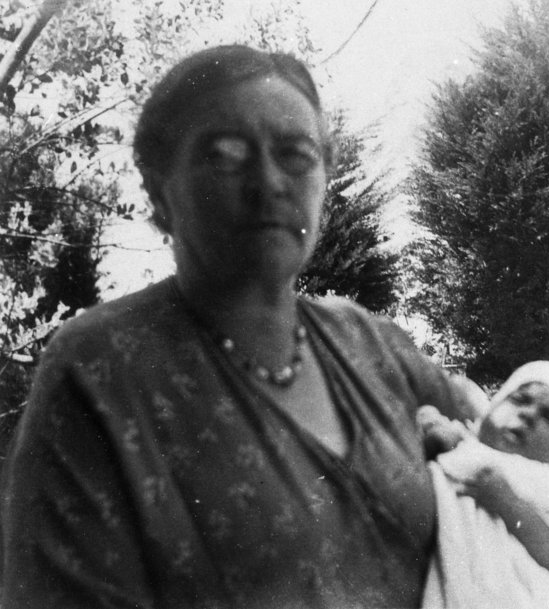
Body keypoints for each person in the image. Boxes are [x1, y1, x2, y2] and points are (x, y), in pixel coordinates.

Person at [0, 45, 477, 609]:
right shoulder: (99, 369)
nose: (268, 181)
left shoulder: (373, 346)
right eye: (224, 154)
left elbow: (527, 461)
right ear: (158, 191)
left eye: (296, 155)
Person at [416, 361, 549, 609]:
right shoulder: (462, 441)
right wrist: (431, 433)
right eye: (519, 399)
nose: (529, 414)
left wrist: (509, 504)